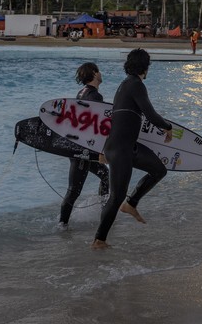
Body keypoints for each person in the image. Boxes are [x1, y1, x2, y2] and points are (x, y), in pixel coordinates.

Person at [92, 49, 173, 250]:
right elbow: (151, 114)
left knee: (159, 170)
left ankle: (132, 203)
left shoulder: (125, 84)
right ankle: (99, 240)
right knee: (116, 196)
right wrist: (168, 127)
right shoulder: (136, 85)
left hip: (127, 147)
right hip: (120, 149)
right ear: (144, 67)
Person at [58, 62, 110, 228]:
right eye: (99, 71)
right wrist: (102, 152)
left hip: (80, 146)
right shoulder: (95, 97)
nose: (101, 74)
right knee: (74, 190)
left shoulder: (81, 93)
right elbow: (98, 128)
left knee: (105, 175)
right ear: (94, 73)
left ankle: (103, 212)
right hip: (83, 150)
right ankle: (62, 225)